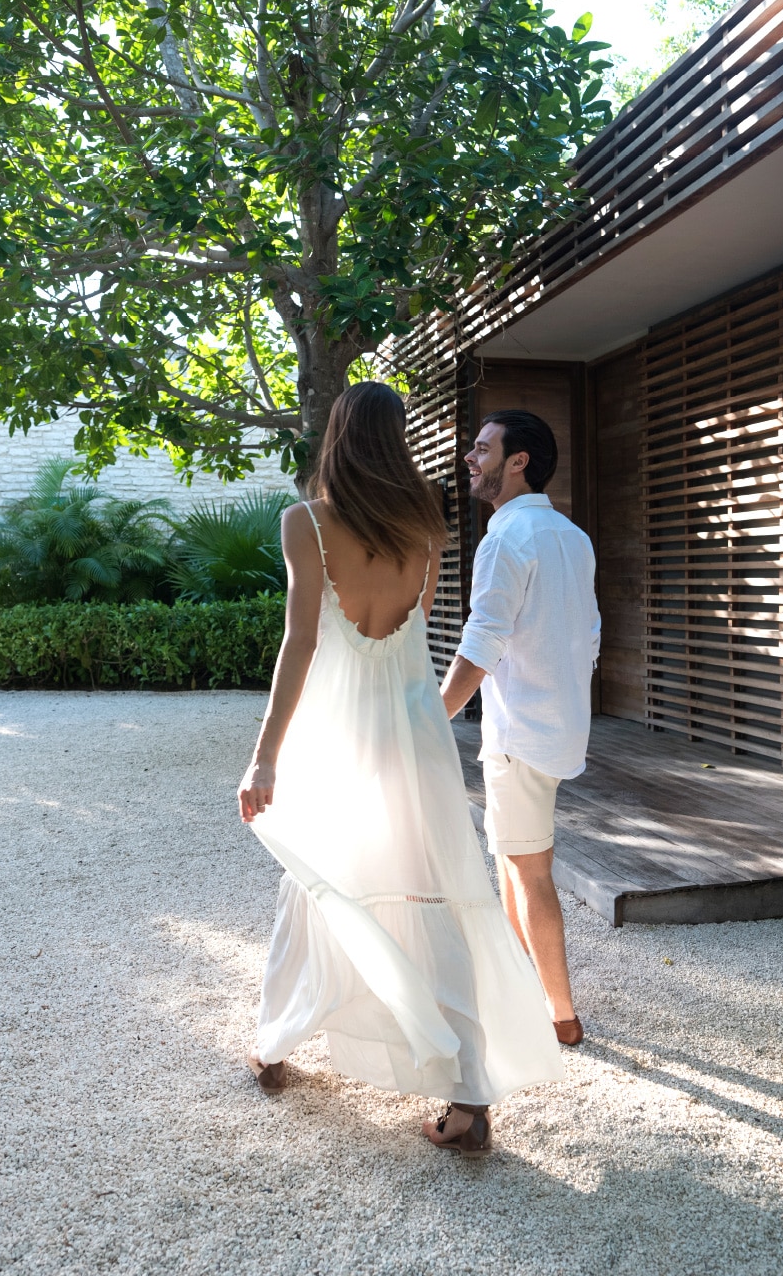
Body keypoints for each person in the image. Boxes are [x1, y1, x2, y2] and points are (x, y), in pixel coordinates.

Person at [237, 382, 564, 1157]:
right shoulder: (427, 519)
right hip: (414, 730)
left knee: (319, 878)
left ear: (337, 434)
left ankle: (275, 1045)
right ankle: (468, 1095)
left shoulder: (306, 523)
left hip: (341, 730)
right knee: (436, 895)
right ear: (398, 437)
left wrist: (265, 753)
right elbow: (413, 622)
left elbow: (302, 643)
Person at [439, 410, 600, 1048]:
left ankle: (561, 1016)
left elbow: (482, 642)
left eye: (482, 449)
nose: (470, 458)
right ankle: (519, 993)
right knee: (511, 858)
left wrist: (431, 717)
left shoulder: (505, 539)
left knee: (529, 871)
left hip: (521, 733)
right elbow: (590, 635)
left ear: (518, 462)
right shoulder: (573, 536)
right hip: (557, 726)